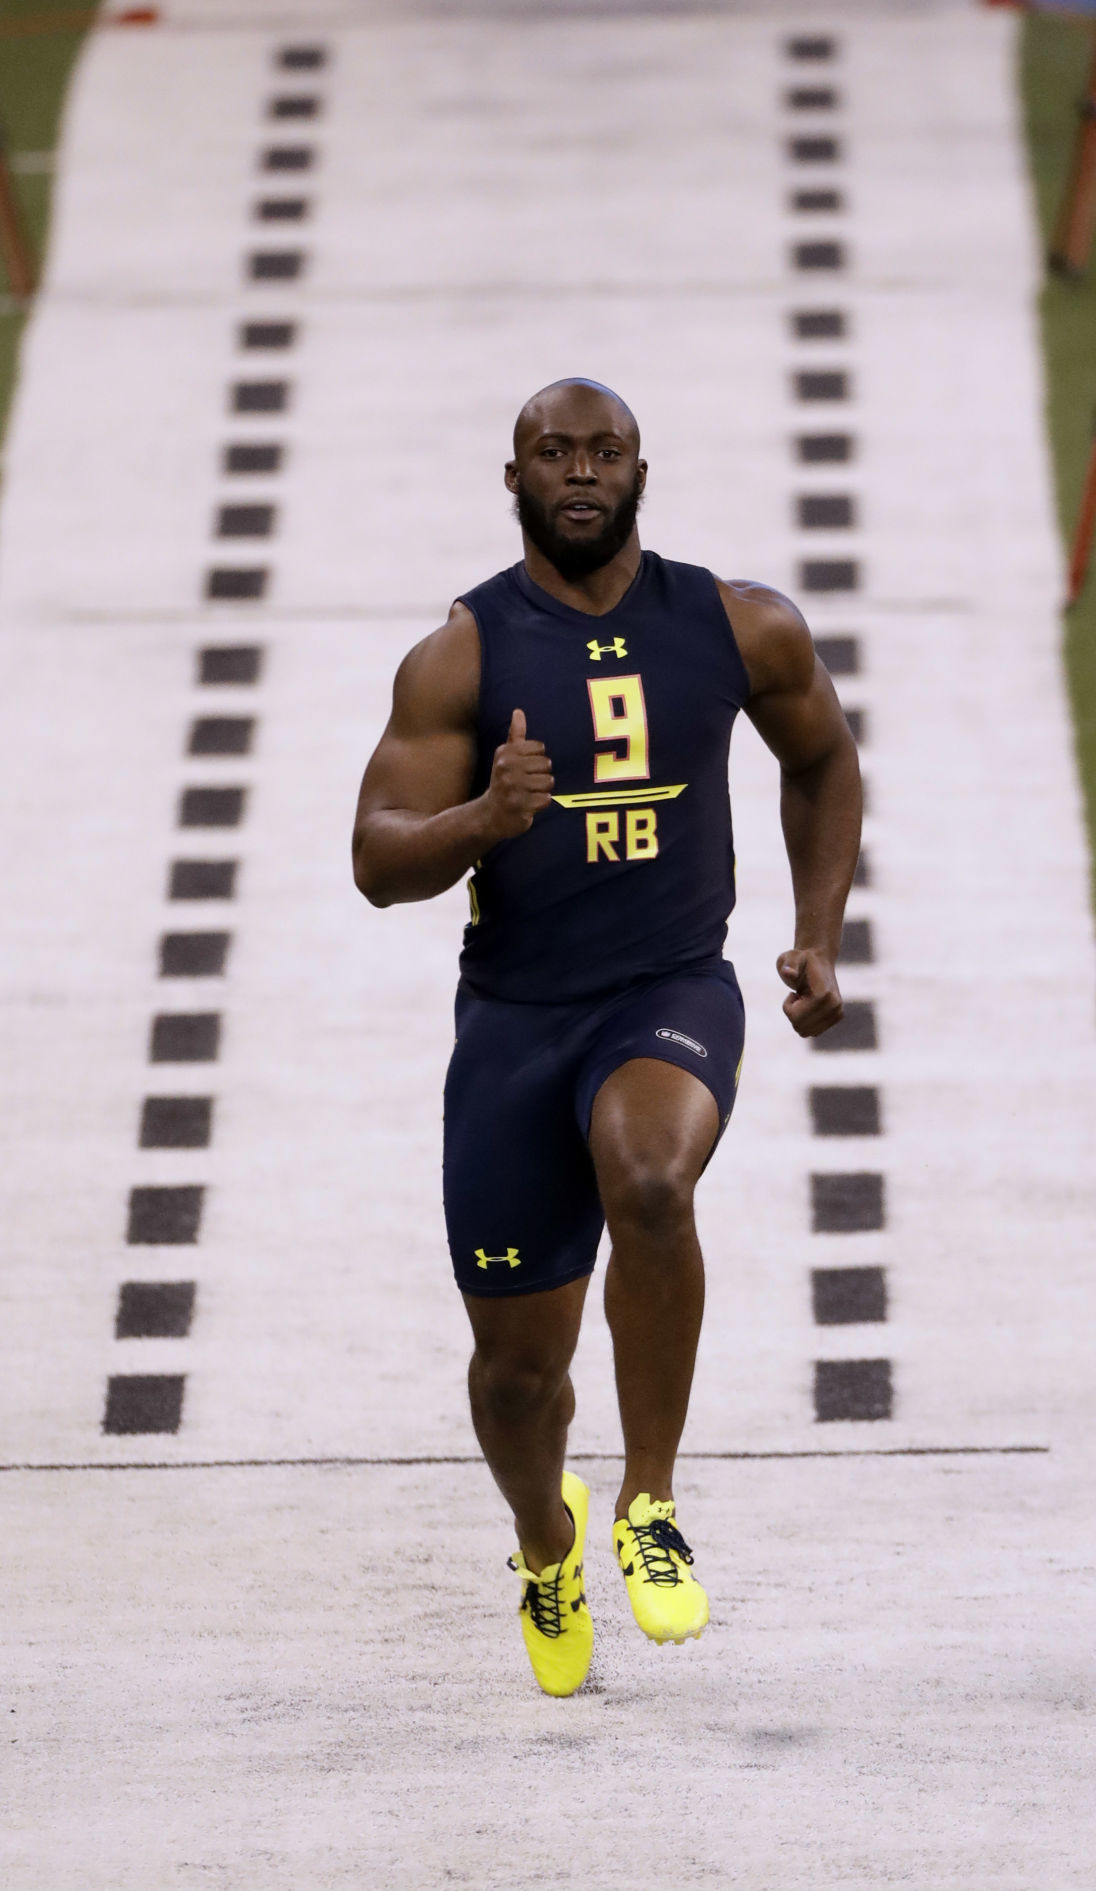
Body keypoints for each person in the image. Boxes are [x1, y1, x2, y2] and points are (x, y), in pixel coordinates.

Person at [352, 378, 861, 1697]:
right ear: (512, 478)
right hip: (518, 1022)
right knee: (518, 1380)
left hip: (670, 989)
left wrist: (819, 929)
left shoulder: (737, 623)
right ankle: (546, 1540)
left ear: (642, 471)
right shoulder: (462, 654)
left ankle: (649, 1502)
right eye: (552, 452)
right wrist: (481, 823)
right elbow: (376, 858)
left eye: (604, 451)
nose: (580, 470)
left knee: (650, 1175)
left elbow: (824, 759)